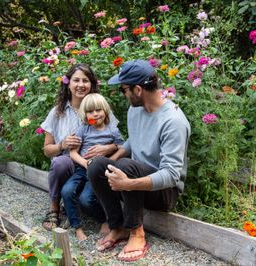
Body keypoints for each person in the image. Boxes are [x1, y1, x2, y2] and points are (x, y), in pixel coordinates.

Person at [87, 60, 191, 262]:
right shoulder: (135, 110)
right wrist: (110, 162)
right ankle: (118, 227)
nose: (123, 94)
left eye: (123, 90)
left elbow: (171, 175)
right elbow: (134, 140)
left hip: (163, 193)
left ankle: (137, 233)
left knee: (127, 166)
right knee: (97, 165)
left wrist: (128, 184)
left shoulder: (173, 121)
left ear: (137, 89)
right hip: (134, 181)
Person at [40, 63, 119, 231]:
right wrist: (62, 145)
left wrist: (108, 148)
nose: (81, 85)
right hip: (70, 166)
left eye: (86, 80)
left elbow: (118, 140)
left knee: (87, 192)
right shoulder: (57, 112)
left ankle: (85, 208)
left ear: (92, 84)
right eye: (76, 80)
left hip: (94, 165)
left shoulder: (101, 110)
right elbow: (47, 150)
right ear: (68, 83)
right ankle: (55, 208)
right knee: (60, 162)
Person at [62, 93, 124, 241]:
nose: (95, 114)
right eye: (90, 111)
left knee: (86, 199)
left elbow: (123, 147)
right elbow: (73, 153)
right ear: (85, 114)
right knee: (67, 191)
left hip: (98, 173)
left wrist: (111, 160)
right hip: (82, 169)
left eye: (98, 110)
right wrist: (85, 163)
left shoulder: (112, 130)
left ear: (105, 110)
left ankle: (104, 219)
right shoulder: (83, 129)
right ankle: (77, 227)